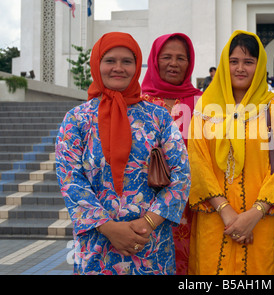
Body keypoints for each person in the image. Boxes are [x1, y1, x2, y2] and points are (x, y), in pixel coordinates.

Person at [55, 32, 191, 275]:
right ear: (97, 64)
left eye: (127, 61)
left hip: (151, 245)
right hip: (97, 245)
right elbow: (69, 178)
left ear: (137, 66)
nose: (118, 68)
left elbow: (181, 175)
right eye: (110, 61)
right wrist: (109, 228)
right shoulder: (77, 119)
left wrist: (147, 223)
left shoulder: (158, 117)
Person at [188, 30, 274, 275]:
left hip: (261, 221)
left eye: (248, 62)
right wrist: (225, 211)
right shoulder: (206, 107)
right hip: (214, 218)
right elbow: (198, 160)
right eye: (233, 61)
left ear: (260, 67)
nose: (240, 68)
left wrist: (254, 215)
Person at [141, 33, 202, 275]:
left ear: (190, 63)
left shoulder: (203, 103)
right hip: (147, 205)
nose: (173, 64)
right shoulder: (136, 103)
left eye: (181, 58)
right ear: (155, 61)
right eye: (166, 57)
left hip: (194, 203)